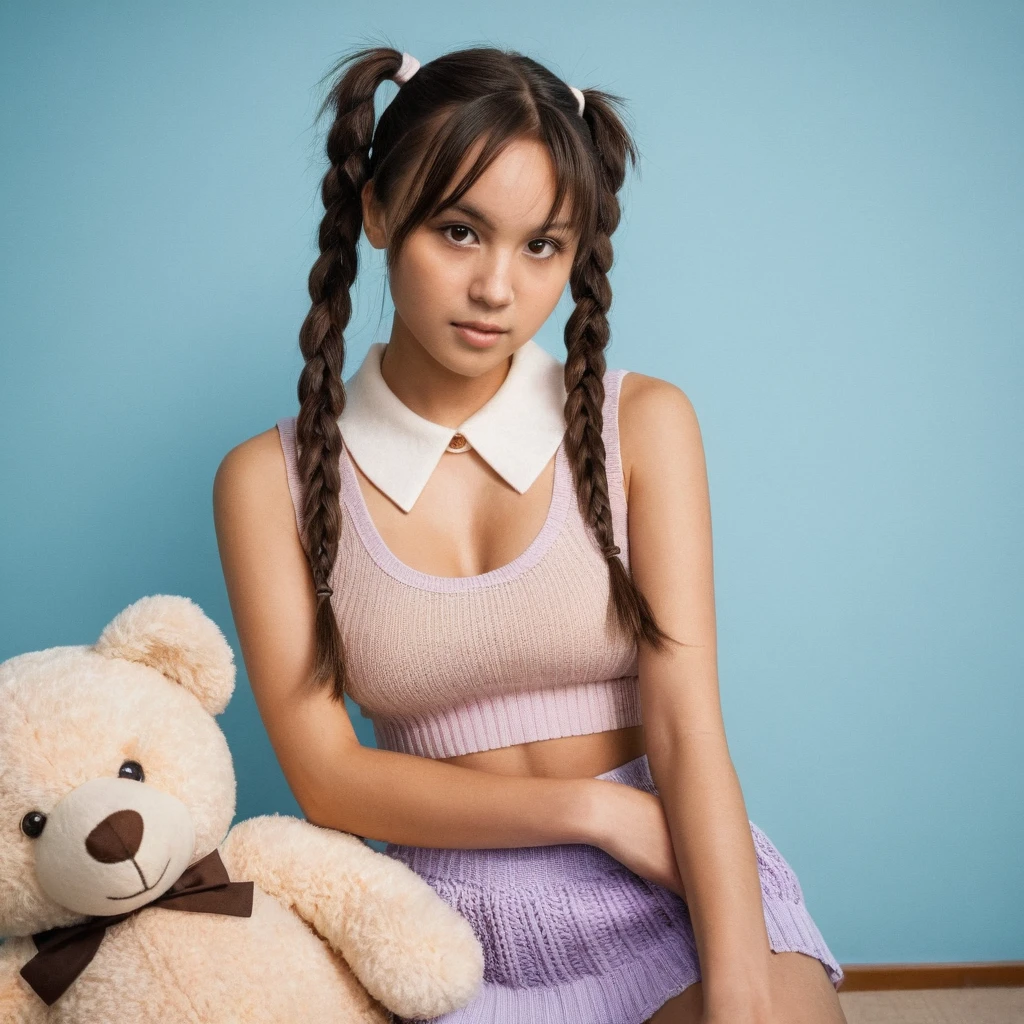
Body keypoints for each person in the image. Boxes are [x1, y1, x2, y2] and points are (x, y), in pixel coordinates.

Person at [213, 44, 847, 1024]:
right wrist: (593, 812)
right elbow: (326, 775)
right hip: (443, 924)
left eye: (541, 246)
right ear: (378, 212)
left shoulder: (645, 424)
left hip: (674, 873)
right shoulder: (267, 482)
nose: (497, 288)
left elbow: (685, 726)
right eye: (459, 232)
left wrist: (736, 986)